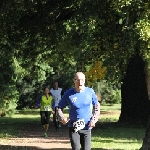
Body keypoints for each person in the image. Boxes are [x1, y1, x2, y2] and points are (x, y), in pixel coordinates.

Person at [56, 72, 100, 150]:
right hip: (74, 128)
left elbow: (97, 106)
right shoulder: (68, 94)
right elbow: (59, 107)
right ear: (74, 80)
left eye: (82, 80)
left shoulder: (90, 92)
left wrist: (94, 120)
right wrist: (62, 118)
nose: (80, 82)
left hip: (87, 127)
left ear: (85, 80)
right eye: (78, 80)